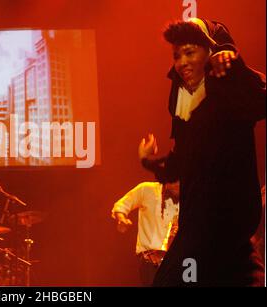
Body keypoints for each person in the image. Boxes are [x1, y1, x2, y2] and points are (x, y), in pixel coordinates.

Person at [138, 19, 265, 286]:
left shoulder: (227, 90)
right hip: (201, 226)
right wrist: (149, 160)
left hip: (222, 224)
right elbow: (182, 162)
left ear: (209, 51)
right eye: (177, 55)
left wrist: (232, 61)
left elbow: (258, 101)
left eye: (190, 52)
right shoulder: (186, 105)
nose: (182, 62)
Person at [111, 181, 180, 286]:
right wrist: (122, 219)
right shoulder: (147, 189)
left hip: (176, 262)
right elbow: (121, 205)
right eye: (174, 181)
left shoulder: (188, 196)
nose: (177, 184)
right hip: (151, 263)